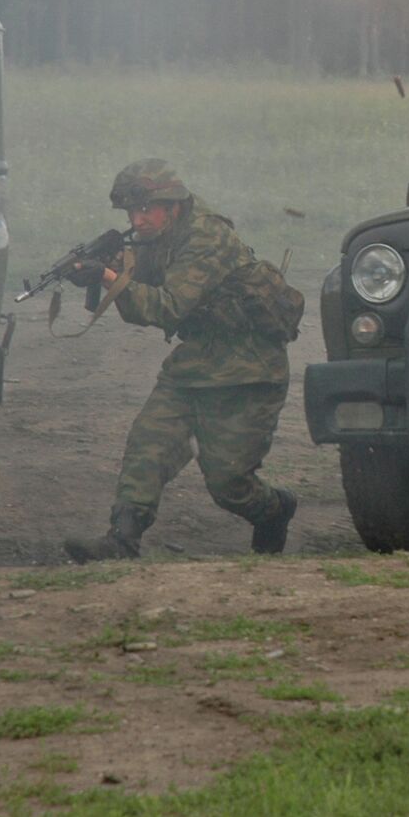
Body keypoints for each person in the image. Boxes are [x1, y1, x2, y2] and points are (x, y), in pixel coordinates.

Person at [64, 160, 305, 560]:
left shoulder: (205, 237)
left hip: (251, 366)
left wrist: (110, 278)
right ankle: (121, 541)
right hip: (197, 359)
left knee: (228, 483)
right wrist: (108, 271)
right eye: (131, 213)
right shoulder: (157, 238)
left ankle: (275, 511)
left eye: (145, 211)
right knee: (148, 444)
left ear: (172, 207)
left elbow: (168, 308)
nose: (137, 221)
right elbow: (142, 305)